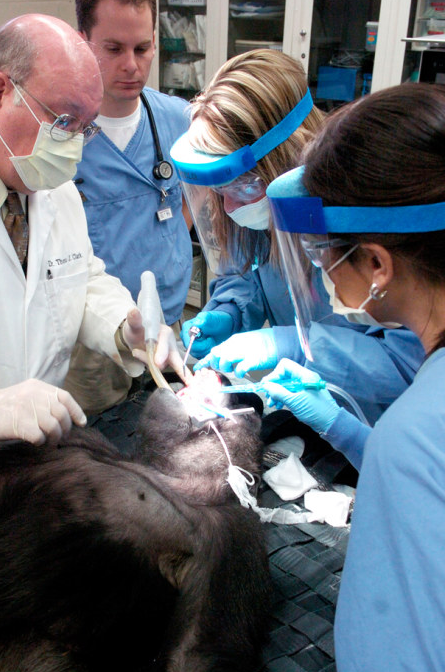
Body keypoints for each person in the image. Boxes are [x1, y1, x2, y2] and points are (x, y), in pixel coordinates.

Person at [0, 14, 185, 489]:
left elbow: (77, 277)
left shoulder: (49, 185)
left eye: (85, 129)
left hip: (24, 471)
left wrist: (123, 325)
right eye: (64, 121)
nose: (73, 148)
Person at [258, 81, 445, 672]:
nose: (320, 269)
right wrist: (351, 434)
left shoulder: (418, 432)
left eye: (322, 253)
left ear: (377, 263)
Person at [171, 48, 424, 430]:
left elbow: (409, 365)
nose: (227, 207)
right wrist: (230, 311)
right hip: (306, 420)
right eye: (220, 190)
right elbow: (251, 274)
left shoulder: (361, 220)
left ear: (285, 160)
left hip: (378, 426)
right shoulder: (251, 209)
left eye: (241, 186)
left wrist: (291, 345)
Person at [64, 0, 193, 414]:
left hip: (170, 320)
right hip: (93, 342)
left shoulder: (177, 119)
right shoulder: (58, 134)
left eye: (143, 47)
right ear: (84, 42)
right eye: (114, 49)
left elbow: (188, 206)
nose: (132, 65)